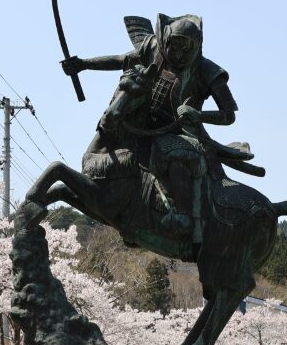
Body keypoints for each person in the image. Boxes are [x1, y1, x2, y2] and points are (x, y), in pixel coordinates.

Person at [61, 14, 247, 240]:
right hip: (143, 120)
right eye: (173, 47)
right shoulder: (152, 48)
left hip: (178, 131)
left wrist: (197, 114)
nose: (177, 55)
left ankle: (183, 214)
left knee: (175, 157)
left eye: (184, 50)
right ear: (165, 40)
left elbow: (228, 115)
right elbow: (121, 60)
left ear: (196, 47)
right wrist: (83, 65)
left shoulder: (208, 71)